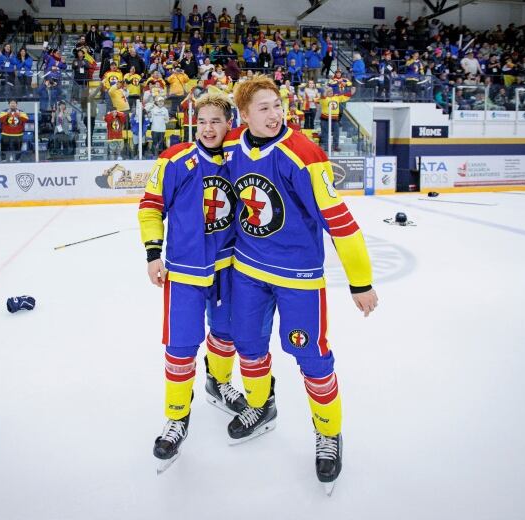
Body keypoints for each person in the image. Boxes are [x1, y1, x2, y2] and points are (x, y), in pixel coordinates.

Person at [222, 76, 378, 492]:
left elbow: (340, 222)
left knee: (312, 357)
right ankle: (260, 405)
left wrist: (360, 281)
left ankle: (328, 434)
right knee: (249, 346)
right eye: (263, 109)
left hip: (299, 279)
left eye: (277, 105)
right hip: (248, 271)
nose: (275, 115)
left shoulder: (304, 154)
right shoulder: (233, 144)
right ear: (244, 116)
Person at [138, 92, 244, 472]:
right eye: (202, 121)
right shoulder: (174, 159)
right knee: (181, 346)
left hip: (229, 268)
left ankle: (219, 382)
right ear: (193, 124)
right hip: (183, 272)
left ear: (229, 123)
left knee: (225, 335)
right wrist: (153, 253)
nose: (208, 128)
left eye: (217, 120)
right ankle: (177, 416)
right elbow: (150, 207)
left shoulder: (240, 158)